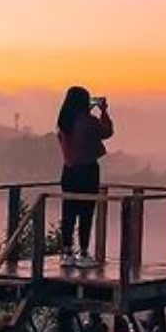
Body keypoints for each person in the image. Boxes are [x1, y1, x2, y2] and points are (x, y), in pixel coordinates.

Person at [55, 86, 114, 268]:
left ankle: (66, 252)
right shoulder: (88, 121)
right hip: (87, 171)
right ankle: (83, 252)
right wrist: (103, 111)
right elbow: (106, 132)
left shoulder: (63, 122)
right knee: (86, 212)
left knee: (69, 212)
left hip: (69, 172)